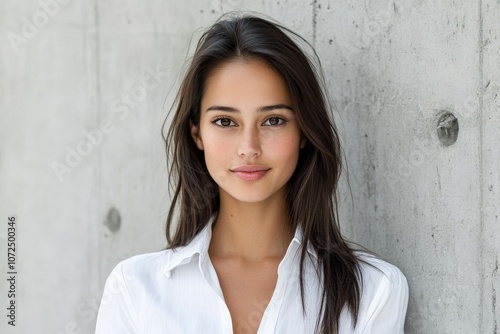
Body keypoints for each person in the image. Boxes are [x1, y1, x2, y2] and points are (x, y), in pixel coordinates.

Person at [95, 13, 409, 334]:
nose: (249, 147)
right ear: (196, 134)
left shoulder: (373, 290)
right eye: (225, 121)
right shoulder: (135, 289)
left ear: (303, 132)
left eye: (273, 120)